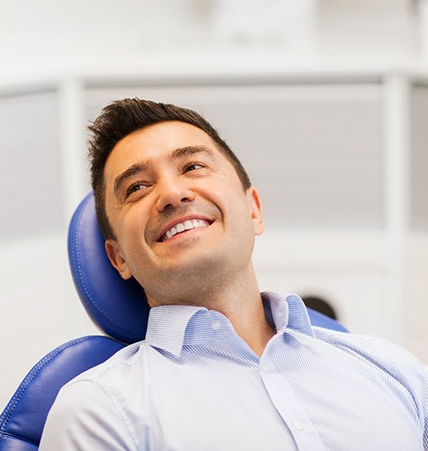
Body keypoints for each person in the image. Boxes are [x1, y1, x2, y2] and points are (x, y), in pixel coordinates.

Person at [39, 98, 428, 450]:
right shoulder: (98, 411)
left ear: (254, 210)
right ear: (118, 258)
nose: (173, 194)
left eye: (193, 166)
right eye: (137, 187)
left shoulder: (393, 369)